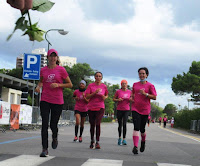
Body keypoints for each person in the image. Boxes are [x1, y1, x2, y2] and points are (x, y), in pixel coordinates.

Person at [35, 49, 73, 157]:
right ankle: (44, 149)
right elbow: (41, 81)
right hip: (45, 99)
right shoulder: (43, 70)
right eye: (50, 56)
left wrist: (58, 85)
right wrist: (38, 87)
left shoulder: (61, 70)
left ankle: (55, 136)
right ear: (47, 58)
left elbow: (70, 84)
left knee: (53, 124)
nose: (52, 58)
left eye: (54, 56)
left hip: (57, 100)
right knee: (44, 124)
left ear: (57, 58)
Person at [131, 67, 157, 154]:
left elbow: (154, 97)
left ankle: (143, 141)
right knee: (136, 127)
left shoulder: (150, 85)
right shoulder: (135, 84)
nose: (141, 75)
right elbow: (133, 94)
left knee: (142, 129)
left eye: (143, 73)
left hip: (145, 110)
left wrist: (145, 94)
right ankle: (135, 146)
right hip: (135, 108)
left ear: (147, 75)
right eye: (140, 74)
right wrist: (131, 98)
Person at [86, 72, 108, 149]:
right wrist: (94, 93)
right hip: (91, 107)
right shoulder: (90, 86)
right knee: (92, 124)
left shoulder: (104, 86)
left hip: (100, 107)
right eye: (97, 76)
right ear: (94, 77)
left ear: (101, 78)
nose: (98, 77)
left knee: (98, 123)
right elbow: (87, 96)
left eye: (99, 76)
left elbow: (106, 95)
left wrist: (104, 97)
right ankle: (92, 140)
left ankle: (97, 142)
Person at [113, 80, 132, 146]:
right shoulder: (118, 91)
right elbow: (114, 99)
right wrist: (118, 100)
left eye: (125, 84)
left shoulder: (130, 92)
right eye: (122, 84)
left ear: (127, 84)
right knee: (120, 124)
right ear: (121, 85)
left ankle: (124, 139)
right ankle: (119, 138)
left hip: (126, 109)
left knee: (124, 124)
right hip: (119, 109)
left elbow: (132, 99)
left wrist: (130, 99)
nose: (124, 85)